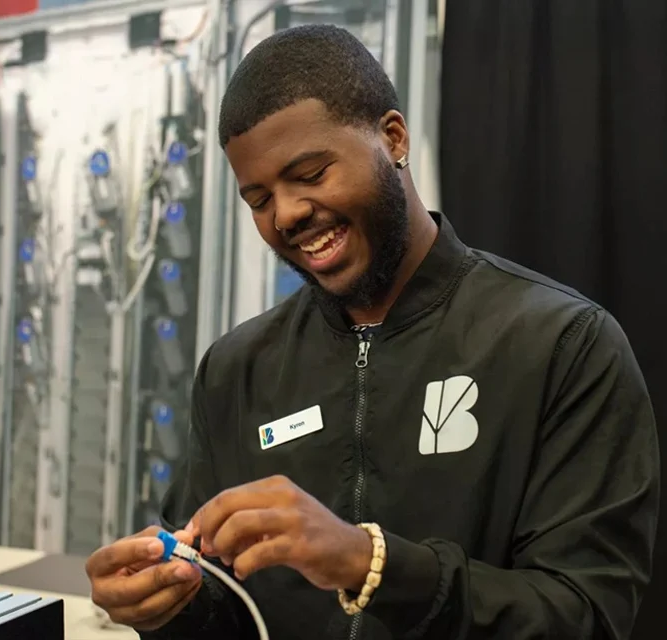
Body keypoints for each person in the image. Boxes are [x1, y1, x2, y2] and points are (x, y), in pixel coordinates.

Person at [86, 24, 660, 639]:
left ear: (393, 138)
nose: (286, 215)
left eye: (309, 174)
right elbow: (227, 611)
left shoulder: (560, 345)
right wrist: (165, 601)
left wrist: (370, 564)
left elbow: (587, 617)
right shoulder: (237, 369)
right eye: (258, 198)